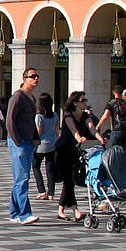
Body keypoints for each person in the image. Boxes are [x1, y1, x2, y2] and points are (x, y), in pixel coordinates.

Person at [6, 68, 41, 225]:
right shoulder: (18, 97)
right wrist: (17, 141)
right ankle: (25, 213)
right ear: (25, 79)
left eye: (37, 76)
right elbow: (9, 120)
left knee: (21, 178)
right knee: (23, 178)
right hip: (19, 142)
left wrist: (35, 137)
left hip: (28, 141)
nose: (36, 79)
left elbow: (31, 120)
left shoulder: (31, 98)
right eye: (32, 76)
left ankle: (14, 213)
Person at [54, 91, 93, 222]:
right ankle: (76, 211)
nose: (86, 103)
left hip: (74, 151)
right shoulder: (68, 115)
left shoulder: (85, 115)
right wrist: (79, 138)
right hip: (62, 151)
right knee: (69, 181)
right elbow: (73, 130)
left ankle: (61, 211)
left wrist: (101, 138)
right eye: (83, 101)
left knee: (69, 181)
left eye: (86, 100)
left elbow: (92, 128)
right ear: (75, 103)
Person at [95, 84, 126, 175]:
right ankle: (125, 170)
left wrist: (98, 126)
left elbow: (106, 115)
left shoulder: (111, 103)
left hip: (116, 130)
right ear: (121, 93)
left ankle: (113, 171)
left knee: (113, 151)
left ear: (114, 92)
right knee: (124, 151)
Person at [32, 92, 58, 200]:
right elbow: (57, 131)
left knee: (35, 166)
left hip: (41, 145)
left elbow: (39, 131)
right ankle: (51, 193)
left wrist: (34, 140)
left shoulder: (39, 116)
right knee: (50, 168)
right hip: (52, 144)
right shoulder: (55, 115)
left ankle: (42, 191)